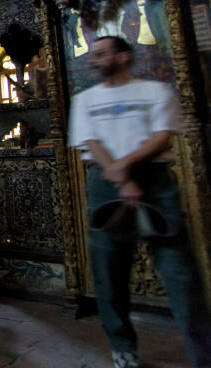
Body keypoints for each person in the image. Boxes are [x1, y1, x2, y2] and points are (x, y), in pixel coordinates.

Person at [68, 36, 211, 368]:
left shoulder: (156, 92)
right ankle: (123, 348)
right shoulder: (85, 100)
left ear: (123, 56)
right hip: (106, 183)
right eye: (93, 55)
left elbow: (162, 136)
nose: (94, 60)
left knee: (180, 273)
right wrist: (120, 175)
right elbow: (89, 140)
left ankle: (203, 354)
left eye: (101, 54)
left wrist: (125, 169)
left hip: (155, 183)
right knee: (109, 273)